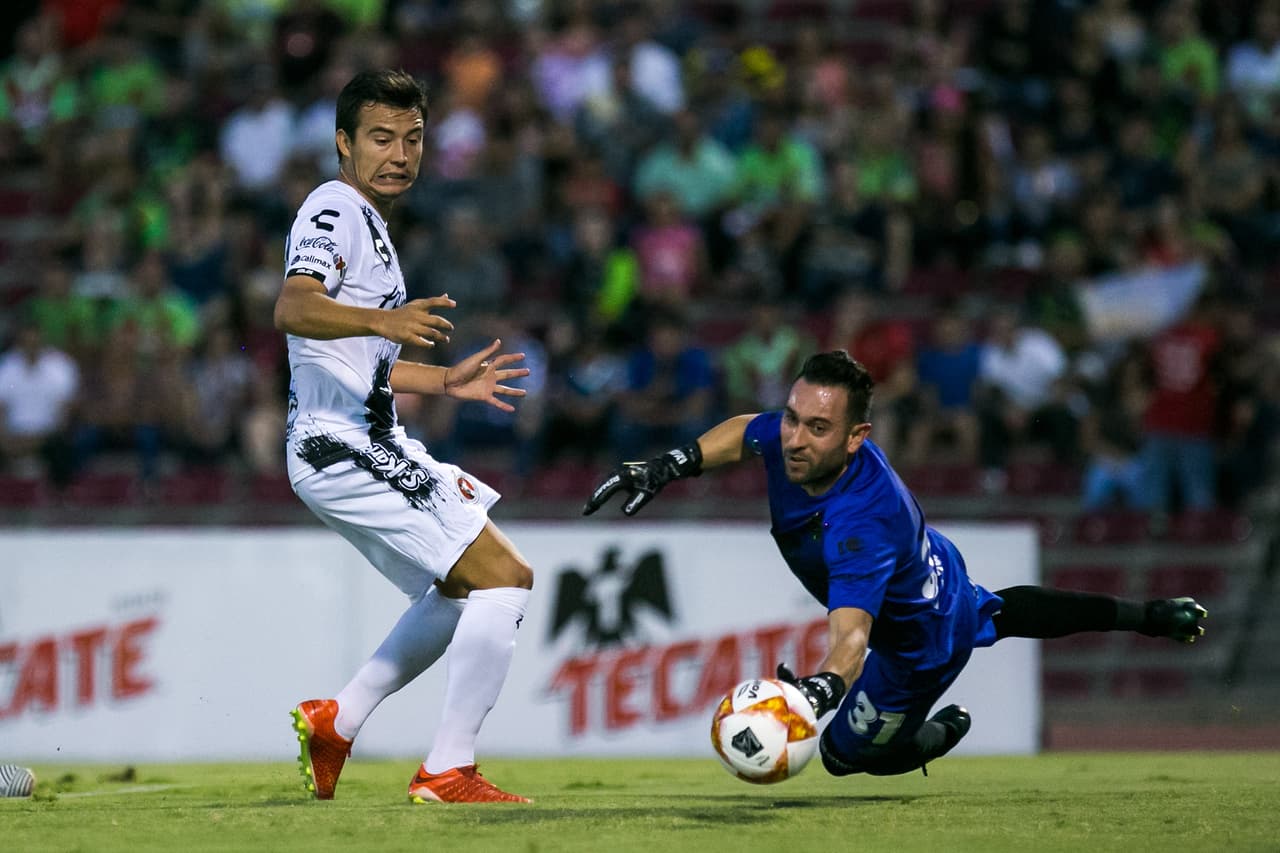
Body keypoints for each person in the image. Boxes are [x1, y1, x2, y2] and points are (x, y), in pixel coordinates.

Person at [583, 351, 1207, 779]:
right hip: (937, 570)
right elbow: (751, 428)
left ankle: (937, 732)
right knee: (1001, 611)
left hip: (918, 645)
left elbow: (853, 637)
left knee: (842, 756)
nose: (795, 439)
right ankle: (1148, 615)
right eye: (795, 417)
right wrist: (672, 462)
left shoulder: (862, 524)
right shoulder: (795, 438)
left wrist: (821, 689)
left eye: (818, 428)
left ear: (858, 437)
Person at [273, 69, 534, 805]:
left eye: (413, 138)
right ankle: (447, 767)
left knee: (458, 590)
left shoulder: (373, 228)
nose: (399, 153)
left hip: (353, 435)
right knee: (504, 576)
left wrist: (445, 381)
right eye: (381, 137)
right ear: (343, 142)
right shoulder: (334, 208)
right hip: (340, 440)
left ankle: (338, 720)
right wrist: (388, 321)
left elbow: (356, 360)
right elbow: (294, 307)